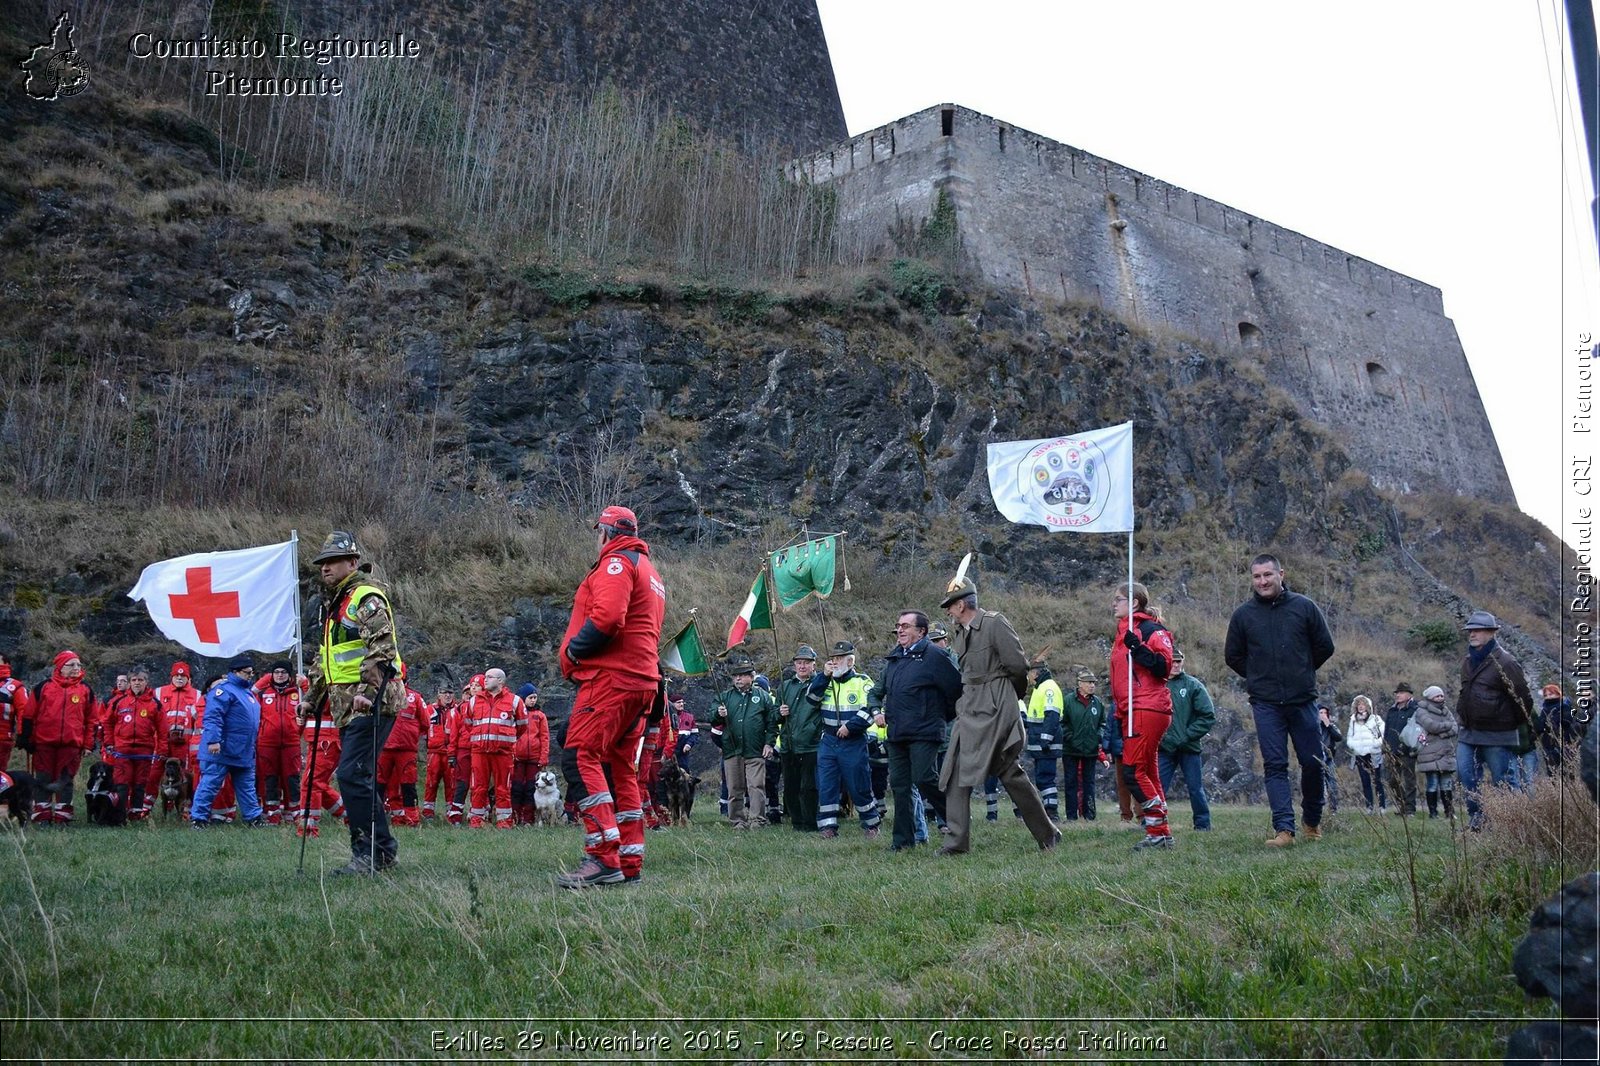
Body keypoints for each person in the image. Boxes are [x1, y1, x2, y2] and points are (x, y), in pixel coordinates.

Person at [556, 505, 667, 888]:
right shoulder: (650, 572)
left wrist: (572, 652)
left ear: (605, 532)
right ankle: (629, 861)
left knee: (579, 755)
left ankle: (604, 857)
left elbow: (607, 618)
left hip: (613, 679)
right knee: (622, 768)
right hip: (641, 682)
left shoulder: (617, 563)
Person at [304, 530, 407, 875]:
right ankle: (380, 851)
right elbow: (326, 659)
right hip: (348, 704)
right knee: (356, 775)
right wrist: (311, 698)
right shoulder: (334, 605)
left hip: (370, 701)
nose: (326, 568)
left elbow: (382, 647)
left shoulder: (365, 596)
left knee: (351, 774)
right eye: (323, 562)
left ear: (352, 562)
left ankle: (370, 854)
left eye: (333, 561)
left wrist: (369, 690)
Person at [936, 575, 1059, 855]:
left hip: (995, 706)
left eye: (951, 605)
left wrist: (1006, 699)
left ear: (963, 604)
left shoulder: (994, 623)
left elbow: (1018, 667)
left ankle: (1048, 835)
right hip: (969, 709)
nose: (948, 611)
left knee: (1009, 772)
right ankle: (955, 844)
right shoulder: (961, 633)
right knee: (954, 772)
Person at [1223, 553, 1335, 847]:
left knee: (1313, 763)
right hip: (1266, 703)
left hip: (1303, 700)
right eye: (1257, 576)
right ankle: (1284, 829)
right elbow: (1232, 656)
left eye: (1267, 575)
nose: (1262, 581)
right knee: (1275, 765)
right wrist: (1259, 676)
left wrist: (1302, 670)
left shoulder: (1305, 607)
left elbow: (1325, 646)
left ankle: (1312, 820)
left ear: (1280, 574)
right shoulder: (1243, 615)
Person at [871, 610, 960, 852]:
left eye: (906, 626)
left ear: (921, 631)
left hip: (925, 731)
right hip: (897, 734)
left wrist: (938, 717)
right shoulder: (895, 659)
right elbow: (879, 692)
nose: (900, 630)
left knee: (924, 778)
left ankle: (958, 823)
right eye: (898, 626)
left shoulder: (935, 656)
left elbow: (956, 692)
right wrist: (876, 710)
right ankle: (902, 841)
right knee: (900, 786)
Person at [1110, 583, 1176, 850]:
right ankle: (1161, 831)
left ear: (1134, 602)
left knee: (1134, 771)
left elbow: (1164, 667)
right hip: (1134, 708)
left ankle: (1157, 830)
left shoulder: (1151, 630)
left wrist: (1138, 648)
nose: (1113, 604)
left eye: (1118, 599)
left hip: (1146, 707)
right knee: (1148, 771)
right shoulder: (1123, 632)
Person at [1455, 610, 1533, 830]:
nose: (1472, 634)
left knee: (1503, 780)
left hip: (1498, 733)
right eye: (1470, 630)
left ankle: (1513, 823)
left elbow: (1523, 698)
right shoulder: (1467, 660)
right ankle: (1477, 819)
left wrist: (1510, 725)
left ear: (1491, 632)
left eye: (1477, 630)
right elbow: (1465, 692)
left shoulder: (1506, 662)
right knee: (1465, 773)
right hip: (1468, 731)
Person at [809, 640, 881, 839]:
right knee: (826, 785)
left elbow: (870, 708)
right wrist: (823, 676)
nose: (835, 662)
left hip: (853, 741)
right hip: (829, 741)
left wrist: (851, 727)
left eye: (839, 659)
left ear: (850, 662)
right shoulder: (825, 680)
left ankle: (871, 824)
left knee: (859, 784)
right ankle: (828, 827)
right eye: (832, 658)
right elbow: (811, 699)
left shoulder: (862, 681)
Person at [21, 650, 97, 824]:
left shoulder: (85, 689)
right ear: (60, 667)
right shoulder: (43, 687)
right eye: (72, 665)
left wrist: (88, 745)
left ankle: (63, 817)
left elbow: (92, 720)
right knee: (43, 779)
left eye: (79, 664)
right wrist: (26, 739)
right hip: (44, 743)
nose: (76, 668)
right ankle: (42, 816)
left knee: (66, 780)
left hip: (71, 744)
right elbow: (28, 715)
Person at [190, 658, 265, 826]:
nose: (250, 676)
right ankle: (198, 818)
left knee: (247, 787)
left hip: (243, 750)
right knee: (210, 784)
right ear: (235, 672)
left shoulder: (247, 693)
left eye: (252, 672)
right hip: (222, 748)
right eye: (247, 672)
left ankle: (253, 817)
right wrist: (213, 741)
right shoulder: (223, 691)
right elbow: (213, 716)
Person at [713, 656, 777, 829]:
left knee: (756, 786)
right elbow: (712, 717)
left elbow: (772, 723)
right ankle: (738, 820)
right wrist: (719, 713)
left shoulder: (763, 697)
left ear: (752, 676)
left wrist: (769, 743)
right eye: (735, 676)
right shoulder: (724, 697)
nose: (738, 679)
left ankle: (757, 820)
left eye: (742, 675)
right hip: (732, 749)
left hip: (755, 749)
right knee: (734, 788)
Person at [1159, 650, 1215, 831]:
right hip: (1164, 747)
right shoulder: (1157, 685)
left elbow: (1207, 716)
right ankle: (1152, 822)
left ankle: (1203, 824)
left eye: (1178, 661)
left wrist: (1185, 736)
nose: (1175, 665)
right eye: (1172, 661)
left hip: (1189, 747)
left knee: (1195, 788)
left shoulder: (1193, 685)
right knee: (1158, 787)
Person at [466, 668, 526, 828]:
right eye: (485, 677)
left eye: (489, 677)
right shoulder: (473, 701)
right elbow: (468, 724)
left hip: (503, 753)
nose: (484, 680)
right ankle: (476, 821)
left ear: (500, 681)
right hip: (479, 752)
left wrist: (504, 740)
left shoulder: (515, 701)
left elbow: (522, 726)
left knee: (503, 787)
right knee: (478, 787)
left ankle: (504, 821)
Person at [106, 667, 162, 821]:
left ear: (146, 682)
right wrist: (109, 743)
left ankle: (136, 814)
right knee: (122, 783)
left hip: (144, 751)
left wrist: (161, 750)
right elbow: (107, 723)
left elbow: (163, 729)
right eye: (134, 680)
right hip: (123, 750)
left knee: (140, 784)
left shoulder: (154, 704)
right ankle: (120, 814)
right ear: (129, 682)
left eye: (140, 680)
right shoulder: (118, 702)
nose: (137, 683)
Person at [776, 645, 822, 832]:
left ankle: (810, 823)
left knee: (809, 786)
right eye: (799, 663)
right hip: (788, 744)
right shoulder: (785, 686)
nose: (802, 666)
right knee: (790, 787)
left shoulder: (820, 683)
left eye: (806, 663)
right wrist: (779, 712)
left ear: (813, 664)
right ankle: (797, 822)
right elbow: (773, 715)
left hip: (811, 743)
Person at [253, 661, 302, 825]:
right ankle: (272, 812)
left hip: (291, 742)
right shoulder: (263, 693)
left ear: (290, 675)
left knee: (292, 778)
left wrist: (305, 684)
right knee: (269, 778)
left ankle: (295, 811)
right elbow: (250, 695)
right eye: (276, 672)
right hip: (267, 743)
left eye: (283, 672)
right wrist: (265, 679)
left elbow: (312, 701)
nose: (280, 675)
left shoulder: (298, 692)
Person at [154, 662, 202, 817]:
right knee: (158, 772)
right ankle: (155, 808)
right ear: (171, 676)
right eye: (177, 675)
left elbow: (199, 719)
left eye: (183, 676)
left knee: (186, 775)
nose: (180, 678)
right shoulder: (159, 692)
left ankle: (185, 810)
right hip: (163, 741)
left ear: (189, 678)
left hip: (186, 743)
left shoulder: (197, 694)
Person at [378, 678, 427, 827]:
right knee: (379, 784)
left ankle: (412, 819)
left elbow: (425, 722)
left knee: (408, 785)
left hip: (406, 750)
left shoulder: (415, 697)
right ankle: (376, 819)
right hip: (384, 748)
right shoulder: (378, 694)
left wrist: (411, 738)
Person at [1059, 671, 1107, 821]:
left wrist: (1098, 736)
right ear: (1080, 684)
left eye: (1093, 683)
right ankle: (1071, 816)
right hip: (1071, 749)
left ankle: (1089, 815)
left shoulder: (1098, 703)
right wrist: (1070, 738)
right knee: (1071, 782)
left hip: (1091, 749)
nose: (1092, 685)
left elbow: (1102, 724)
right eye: (1088, 682)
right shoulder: (1068, 701)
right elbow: (1062, 723)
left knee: (1089, 783)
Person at [1022, 661, 1064, 820]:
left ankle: (1052, 812)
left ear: (1036, 673)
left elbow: (1051, 716)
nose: (1029, 677)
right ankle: (1049, 810)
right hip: (1040, 742)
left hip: (1045, 743)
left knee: (1046, 778)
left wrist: (1045, 740)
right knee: (1042, 779)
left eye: (1030, 673)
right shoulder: (1042, 688)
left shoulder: (1048, 688)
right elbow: (1036, 717)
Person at [1413, 685, 1459, 820]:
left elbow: (1455, 727)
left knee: (1447, 783)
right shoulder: (1421, 711)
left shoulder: (1446, 710)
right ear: (1430, 697)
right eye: (1437, 696)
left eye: (1441, 695)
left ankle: (1449, 812)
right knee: (1432, 783)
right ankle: (1433, 813)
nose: (1440, 698)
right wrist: (1446, 727)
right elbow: (1430, 726)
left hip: (1446, 752)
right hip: (1429, 753)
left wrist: (1442, 733)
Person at [511, 683, 550, 826]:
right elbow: (512, 735)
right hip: (518, 759)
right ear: (522, 698)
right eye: (530, 697)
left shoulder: (540, 716)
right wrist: (513, 753)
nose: (533, 700)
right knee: (516, 788)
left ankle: (528, 818)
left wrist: (543, 757)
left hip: (534, 759)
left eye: (535, 697)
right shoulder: (515, 714)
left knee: (531, 788)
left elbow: (544, 738)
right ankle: (514, 816)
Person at [1382, 683, 1421, 817]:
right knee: (1391, 780)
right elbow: (1387, 730)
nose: (1398, 695)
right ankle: (1403, 804)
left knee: (1410, 781)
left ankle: (1410, 810)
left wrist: (1412, 747)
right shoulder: (1392, 710)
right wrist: (1385, 746)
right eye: (1397, 693)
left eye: (1401, 692)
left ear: (1409, 695)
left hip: (1408, 751)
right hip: (1392, 751)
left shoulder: (1415, 709)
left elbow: (1417, 730)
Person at [1344, 695, 1387, 813]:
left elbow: (1383, 734)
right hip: (1359, 754)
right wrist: (1354, 746)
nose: (1361, 706)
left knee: (1377, 780)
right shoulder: (1353, 720)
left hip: (1373, 753)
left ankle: (1382, 806)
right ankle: (1369, 807)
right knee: (1365, 781)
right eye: (1359, 704)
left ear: (1368, 706)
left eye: (1363, 704)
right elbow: (1349, 737)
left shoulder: (1376, 719)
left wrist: (1376, 744)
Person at [421, 685, 457, 820]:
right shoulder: (430, 709)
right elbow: (424, 728)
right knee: (431, 782)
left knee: (451, 783)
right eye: (444, 693)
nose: (447, 695)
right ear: (439, 694)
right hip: (434, 752)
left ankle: (451, 813)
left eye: (450, 692)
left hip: (450, 752)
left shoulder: (456, 709)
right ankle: (428, 812)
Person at [1537, 683, 1583, 774]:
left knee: (1567, 771)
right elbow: (1540, 727)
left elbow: (1566, 722)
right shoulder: (1544, 709)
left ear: (1558, 694)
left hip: (1564, 743)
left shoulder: (1565, 706)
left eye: (1551, 694)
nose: (1548, 697)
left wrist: (1550, 721)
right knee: (1552, 771)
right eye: (1546, 695)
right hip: (1548, 743)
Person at [0, 652, 32, 773]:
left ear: (6, 663)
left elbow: (24, 711)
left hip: (2, 738)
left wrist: (23, 735)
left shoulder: (15, 686)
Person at [1315, 703, 1343, 814]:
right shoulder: (1313, 726)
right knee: (1318, 784)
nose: (1323, 715)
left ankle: (1333, 809)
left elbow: (1338, 737)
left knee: (1332, 783)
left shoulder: (1331, 726)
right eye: (1320, 713)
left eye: (1325, 713)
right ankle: (1319, 808)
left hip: (1329, 758)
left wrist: (1328, 725)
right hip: (1317, 758)